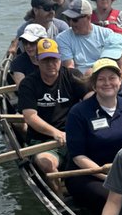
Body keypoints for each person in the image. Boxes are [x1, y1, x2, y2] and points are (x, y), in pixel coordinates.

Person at [64, 57, 122, 215]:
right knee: (111, 197)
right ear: (93, 84)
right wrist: (107, 177)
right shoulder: (78, 113)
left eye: (112, 78)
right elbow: (78, 157)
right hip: (89, 175)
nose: (107, 83)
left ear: (120, 81)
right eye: (101, 79)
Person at [16, 38, 86, 173]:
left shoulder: (73, 76)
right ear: (36, 60)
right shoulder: (28, 84)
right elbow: (30, 117)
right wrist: (55, 133)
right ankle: (58, 193)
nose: (50, 64)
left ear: (60, 59)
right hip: (43, 140)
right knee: (46, 164)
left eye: (54, 59)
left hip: (74, 135)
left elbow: (91, 100)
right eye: (45, 60)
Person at [57, 0, 122, 74]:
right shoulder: (62, 38)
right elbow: (69, 68)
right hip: (78, 80)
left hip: (103, 76)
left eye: (75, 19)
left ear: (89, 17)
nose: (71, 23)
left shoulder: (107, 34)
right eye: (68, 18)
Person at [9, 23, 47, 87]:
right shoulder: (18, 63)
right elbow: (23, 88)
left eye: (32, 42)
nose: (28, 46)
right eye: (25, 42)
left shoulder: (53, 59)